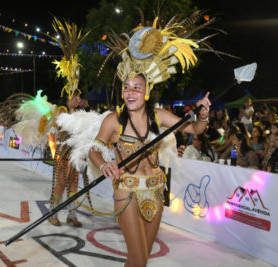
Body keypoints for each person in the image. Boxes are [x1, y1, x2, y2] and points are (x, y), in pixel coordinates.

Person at [88, 16, 213, 266]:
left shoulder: (160, 116)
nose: (130, 92)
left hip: (156, 190)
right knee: (138, 257)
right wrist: (103, 164)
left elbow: (196, 130)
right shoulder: (114, 120)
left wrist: (204, 113)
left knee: (141, 258)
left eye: (136, 88)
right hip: (126, 190)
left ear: (146, 92)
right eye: (126, 87)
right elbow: (94, 149)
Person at [47, 91, 84, 227]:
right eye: (76, 96)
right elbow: (52, 132)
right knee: (61, 183)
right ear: (69, 96)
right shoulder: (62, 111)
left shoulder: (78, 113)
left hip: (75, 153)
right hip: (63, 153)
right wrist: (54, 152)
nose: (79, 99)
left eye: (79, 97)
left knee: (74, 183)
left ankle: (72, 215)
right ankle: (52, 214)